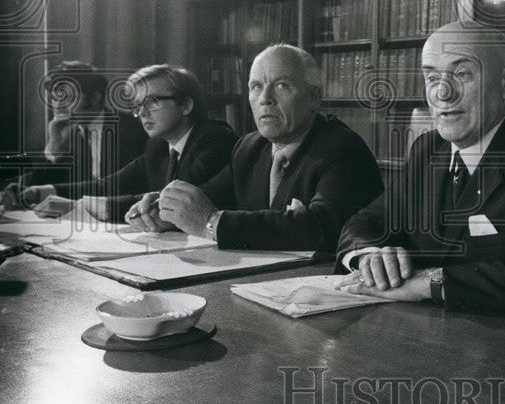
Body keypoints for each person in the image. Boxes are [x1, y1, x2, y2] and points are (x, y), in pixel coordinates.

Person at [334, 20, 505, 316]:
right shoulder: (427, 149)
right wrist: (369, 257)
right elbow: (365, 222)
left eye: (462, 74)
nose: (442, 92)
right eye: (432, 77)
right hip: (413, 329)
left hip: (504, 339)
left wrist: (433, 283)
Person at [135, 44, 382, 251]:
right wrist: (169, 209)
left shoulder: (343, 148)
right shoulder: (249, 147)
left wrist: (211, 222)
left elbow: (321, 227)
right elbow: (209, 196)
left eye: (282, 85)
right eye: (256, 87)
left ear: (314, 98)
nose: (265, 98)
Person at [16, 65, 236, 222]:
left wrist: (81, 206)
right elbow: (110, 184)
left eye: (153, 101)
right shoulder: (157, 147)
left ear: (186, 106)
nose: (142, 112)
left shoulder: (215, 139)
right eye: (138, 105)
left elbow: (175, 200)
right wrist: (46, 190)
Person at [1, 61, 146, 208]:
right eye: (55, 98)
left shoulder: (134, 128)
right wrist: (53, 147)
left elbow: (131, 186)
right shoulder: (67, 133)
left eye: (67, 97)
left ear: (95, 98)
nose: (58, 105)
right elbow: (38, 189)